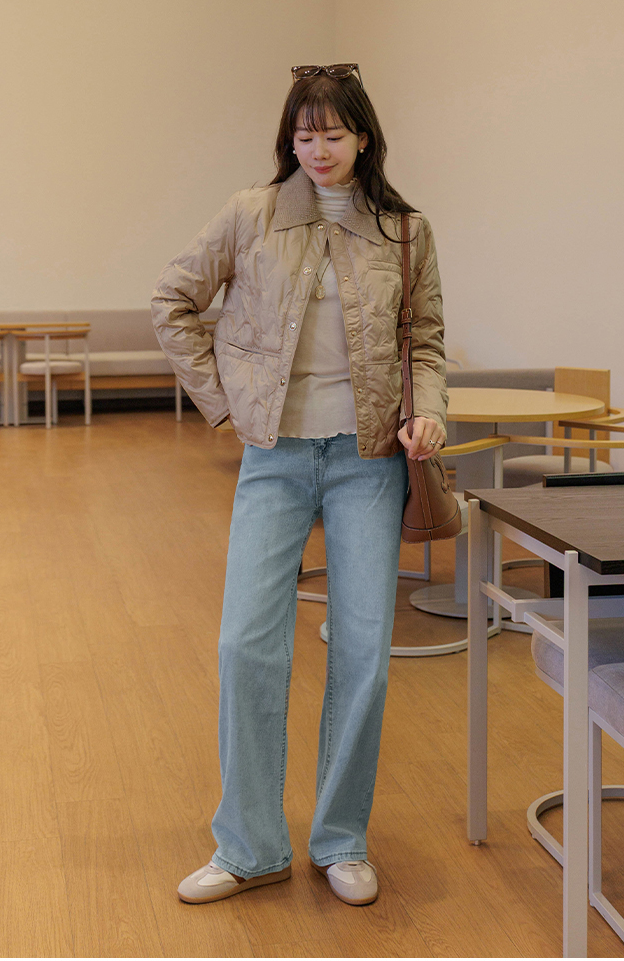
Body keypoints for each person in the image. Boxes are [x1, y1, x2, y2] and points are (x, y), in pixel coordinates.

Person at [151, 63, 448, 907]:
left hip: (369, 462)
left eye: (334, 132)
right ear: (290, 138)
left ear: (364, 137)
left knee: (364, 652)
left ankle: (342, 838)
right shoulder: (251, 213)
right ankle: (248, 846)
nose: (318, 148)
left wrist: (429, 409)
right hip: (274, 457)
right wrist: (225, 404)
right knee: (246, 644)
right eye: (304, 132)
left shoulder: (405, 230)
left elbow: (425, 337)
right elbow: (172, 300)